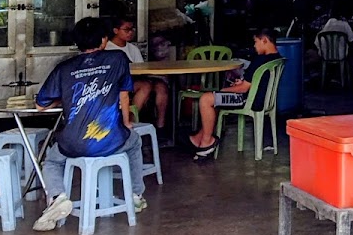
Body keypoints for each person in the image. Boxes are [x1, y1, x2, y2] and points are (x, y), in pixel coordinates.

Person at [33, 17, 147, 231]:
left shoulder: (64, 68)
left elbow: (40, 105)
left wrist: (65, 98)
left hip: (72, 143)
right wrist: (126, 123)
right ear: (104, 39)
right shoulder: (117, 58)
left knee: (52, 160)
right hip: (110, 138)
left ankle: (57, 197)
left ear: (77, 42)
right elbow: (124, 95)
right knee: (134, 143)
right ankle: (135, 195)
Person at [189, 29, 280, 160]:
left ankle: (207, 142)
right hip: (261, 99)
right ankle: (199, 137)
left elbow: (243, 89)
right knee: (215, 99)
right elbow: (255, 81)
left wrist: (222, 90)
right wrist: (240, 84)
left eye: (256, 42)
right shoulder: (276, 58)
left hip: (247, 99)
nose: (254, 46)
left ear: (264, 40)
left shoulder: (260, 60)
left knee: (206, 99)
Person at [106, 15, 169, 129]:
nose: (130, 32)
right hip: (117, 84)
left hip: (135, 80)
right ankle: (131, 121)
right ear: (115, 30)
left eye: (132, 29)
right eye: (127, 29)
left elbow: (141, 69)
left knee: (161, 87)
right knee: (145, 86)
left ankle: (161, 125)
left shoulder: (133, 49)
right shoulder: (108, 48)